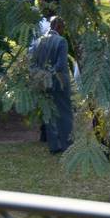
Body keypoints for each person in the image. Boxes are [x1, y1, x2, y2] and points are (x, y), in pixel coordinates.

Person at [31, 17, 72, 154]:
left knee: (49, 113)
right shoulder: (61, 41)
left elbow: (32, 63)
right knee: (64, 112)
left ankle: (54, 145)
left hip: (42, 82)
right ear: (59, 28)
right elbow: (60, 64)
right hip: (59, 81)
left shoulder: (38, 41)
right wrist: (50, 74)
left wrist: (41, 76)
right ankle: (67, 143)